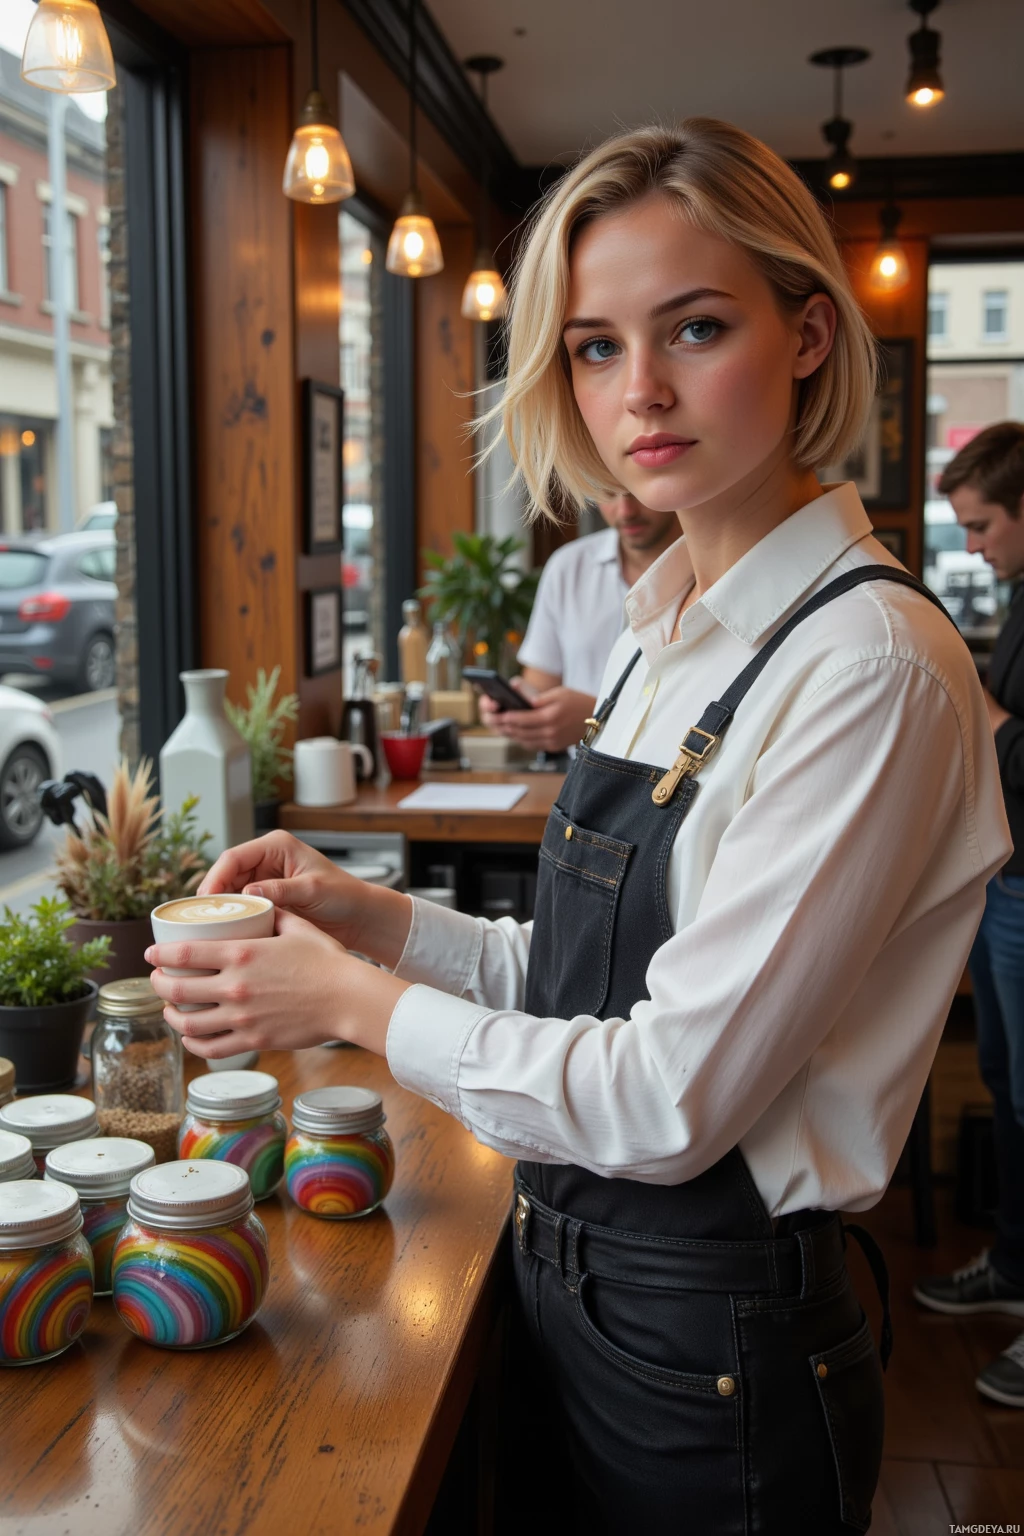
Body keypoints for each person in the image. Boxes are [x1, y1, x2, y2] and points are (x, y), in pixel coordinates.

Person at [148, 120, 1010, 1533]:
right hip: (581, 1275)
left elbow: (669, 1097)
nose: (641, 392)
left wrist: (357, 1004)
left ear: (806, 334)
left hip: (714, 1333)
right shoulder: (665, 628)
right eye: (596, 347)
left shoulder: (869, 667)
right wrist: (382, 926)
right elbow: (594, 973)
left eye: (696, 327)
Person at [914, 421, 1024, 1409]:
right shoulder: (1021, 598)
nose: (976, 546)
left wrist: (965, 692)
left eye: (984, 525)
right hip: (1009, 879)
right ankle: (1015, 1266)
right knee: (1006, 1082)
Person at [478, 493, 680, 753]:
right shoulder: (568, 567)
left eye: (636, 492)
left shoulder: (709, 570)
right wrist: (517, 709)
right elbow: (540, 685)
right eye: (608, 493)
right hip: (579, 779)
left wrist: (597, 718)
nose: (626, 510)